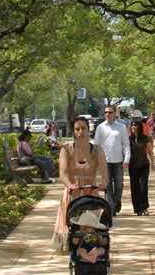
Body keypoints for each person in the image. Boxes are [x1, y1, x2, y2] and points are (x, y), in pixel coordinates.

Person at [54, 117, 107, 253]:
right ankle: (72, 246)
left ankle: (91, 246)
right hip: (74, 191)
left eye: (83, 129)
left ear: (89, 130)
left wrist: (103, 183)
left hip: (91, 190)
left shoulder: (97, 150)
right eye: (77, 129)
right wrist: (69, 185)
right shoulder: (66, 151)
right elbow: (63, 173)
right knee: (72, 220)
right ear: (74, 131)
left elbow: (104, 172)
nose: (81, 132)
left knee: (90, 221)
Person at [92, 105, 130, 218]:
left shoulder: (122, 127)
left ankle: (117, 201)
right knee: (107, 186)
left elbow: (126, 145)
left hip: (118, 161)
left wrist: (127, 159)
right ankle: (111, 208)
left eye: (110, 112)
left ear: (115, 113)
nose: (108, 114)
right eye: (106, 112)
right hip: (105, 162)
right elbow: (96, 146)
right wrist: (96, 160)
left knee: (118, 184)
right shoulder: (100, 128)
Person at [128, 118, 152, 215]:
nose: (133, 127)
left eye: (135, 125)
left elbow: (150, 151)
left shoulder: (145, 138)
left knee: (143, 186)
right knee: (134, 187)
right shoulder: (129, 139)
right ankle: (137, 208)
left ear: (139, 127)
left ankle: (144, 207)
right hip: (133, 165)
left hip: (143, 165)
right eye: (132, 125)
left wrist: (153, 163)